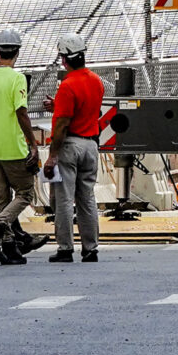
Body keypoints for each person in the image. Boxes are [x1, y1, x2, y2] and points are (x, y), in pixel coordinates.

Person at [0, 30, 40, 266]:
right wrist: (33, 144)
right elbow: (21, 111)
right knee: (25, 193)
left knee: (1, 196)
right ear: (17, 53)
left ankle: (10, 247)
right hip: (12, 145)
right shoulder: (17, 78)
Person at [45, 38, 106, 263]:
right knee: (87, 198)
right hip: (91, 144)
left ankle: (65, 248)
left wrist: (52, 157)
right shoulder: (96, 81)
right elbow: (87, 108)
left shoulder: (67, 85)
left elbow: (62, 125)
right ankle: (90, 249)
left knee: (64, 198)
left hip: (70, 146)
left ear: (64, 60)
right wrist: (58, 105)